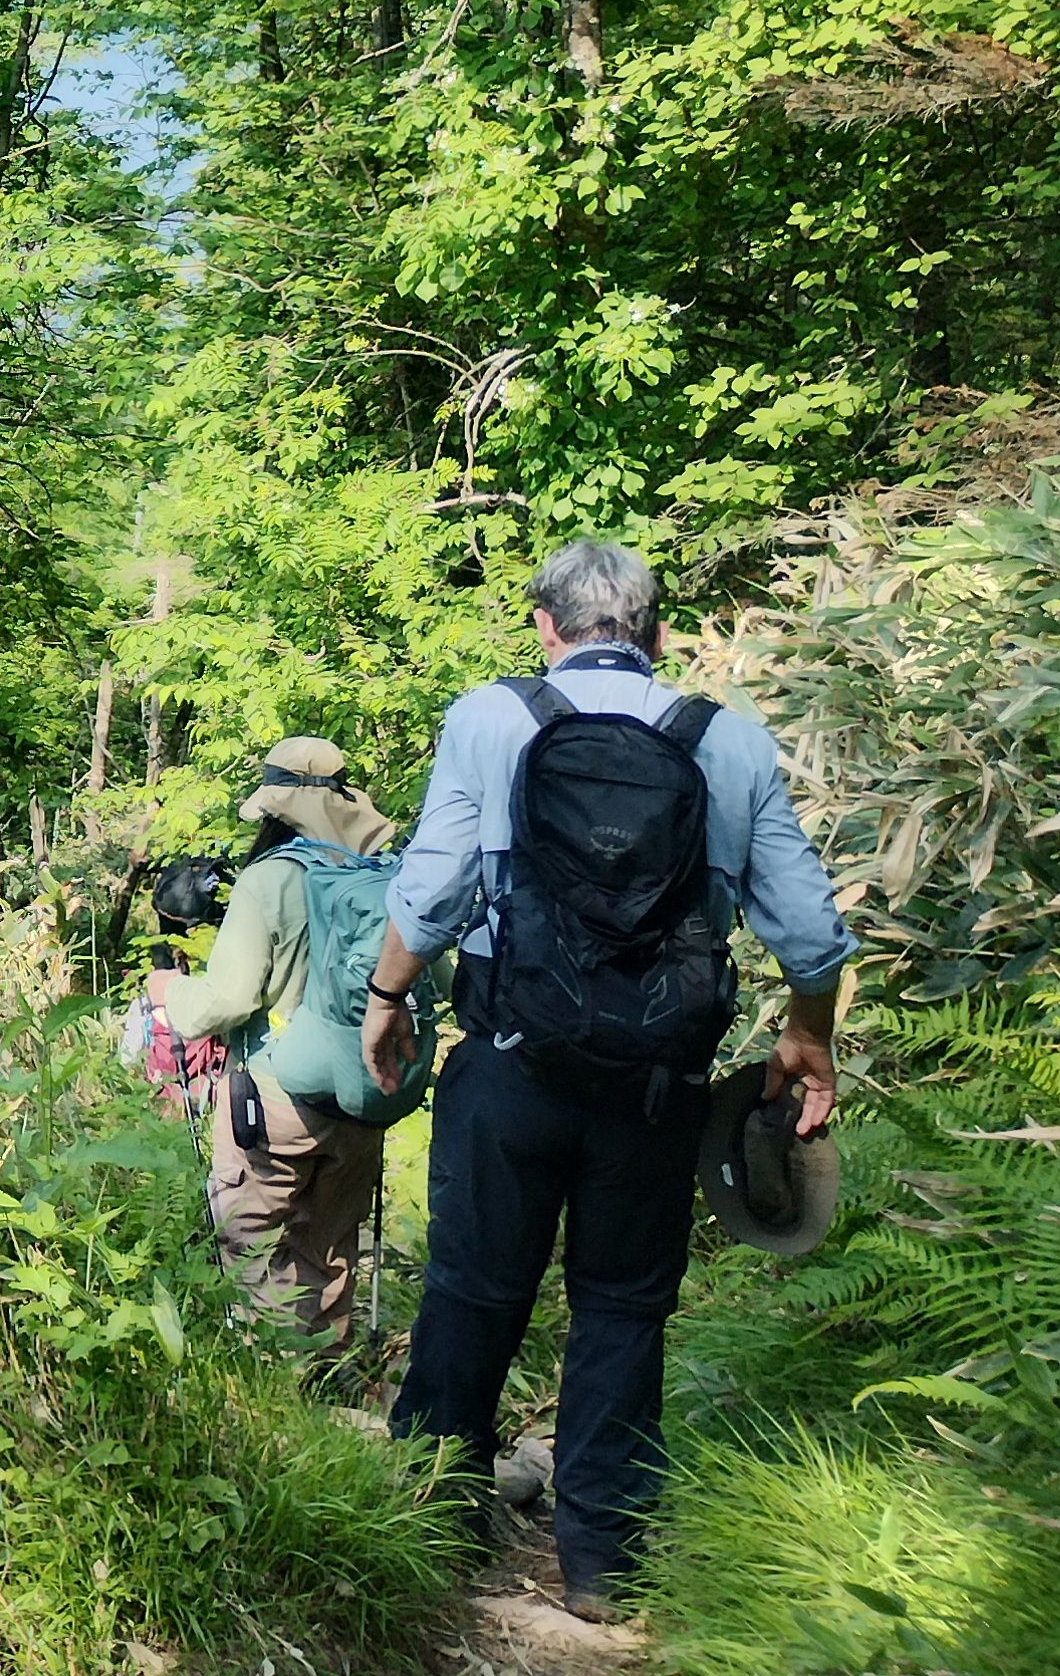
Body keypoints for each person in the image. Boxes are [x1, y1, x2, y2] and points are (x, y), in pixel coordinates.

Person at [356, 539, 852, 1624]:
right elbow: (811, 937)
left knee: (475, 1289)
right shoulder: (727, 741)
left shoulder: (490, 718)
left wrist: (386, 998)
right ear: (658, 632)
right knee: (624, 1311)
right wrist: (807, 1035)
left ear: (545, 626)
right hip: (656, 1088)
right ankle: (603, 1565)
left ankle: (430, 1523)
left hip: (510, 1068)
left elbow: (433, 893)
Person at [146, 735, 401, 1342]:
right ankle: (328, 1375)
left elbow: (231, 1000)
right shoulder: (386, 876)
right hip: (365, 1092)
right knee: (331, 1245)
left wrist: (167, 993)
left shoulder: (270, 880)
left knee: (250, 1240)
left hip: (274, 1098)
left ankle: (267, 1384)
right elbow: (432, 978)